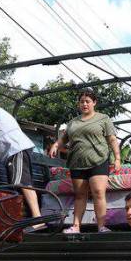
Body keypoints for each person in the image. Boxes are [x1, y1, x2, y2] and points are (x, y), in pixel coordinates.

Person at [48, 89, 122, 234]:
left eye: (88, 101)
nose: (84, 104)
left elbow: (112, 139)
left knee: (98, 192)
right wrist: (56, 145)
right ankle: (76, 226)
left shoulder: (103, 118)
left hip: (99, 160)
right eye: (82, 101)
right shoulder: (73, 122)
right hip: (77, 162)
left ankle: (101, 226)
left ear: (94, 103)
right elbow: (64, 138)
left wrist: (117, 158)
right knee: (80, 195)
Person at [0, 103, 43, 224]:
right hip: (17, 150)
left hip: (16, 149)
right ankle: (31, 219)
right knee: (20, 184)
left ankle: (38, 219)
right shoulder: (0, 112)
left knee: (22, 183)